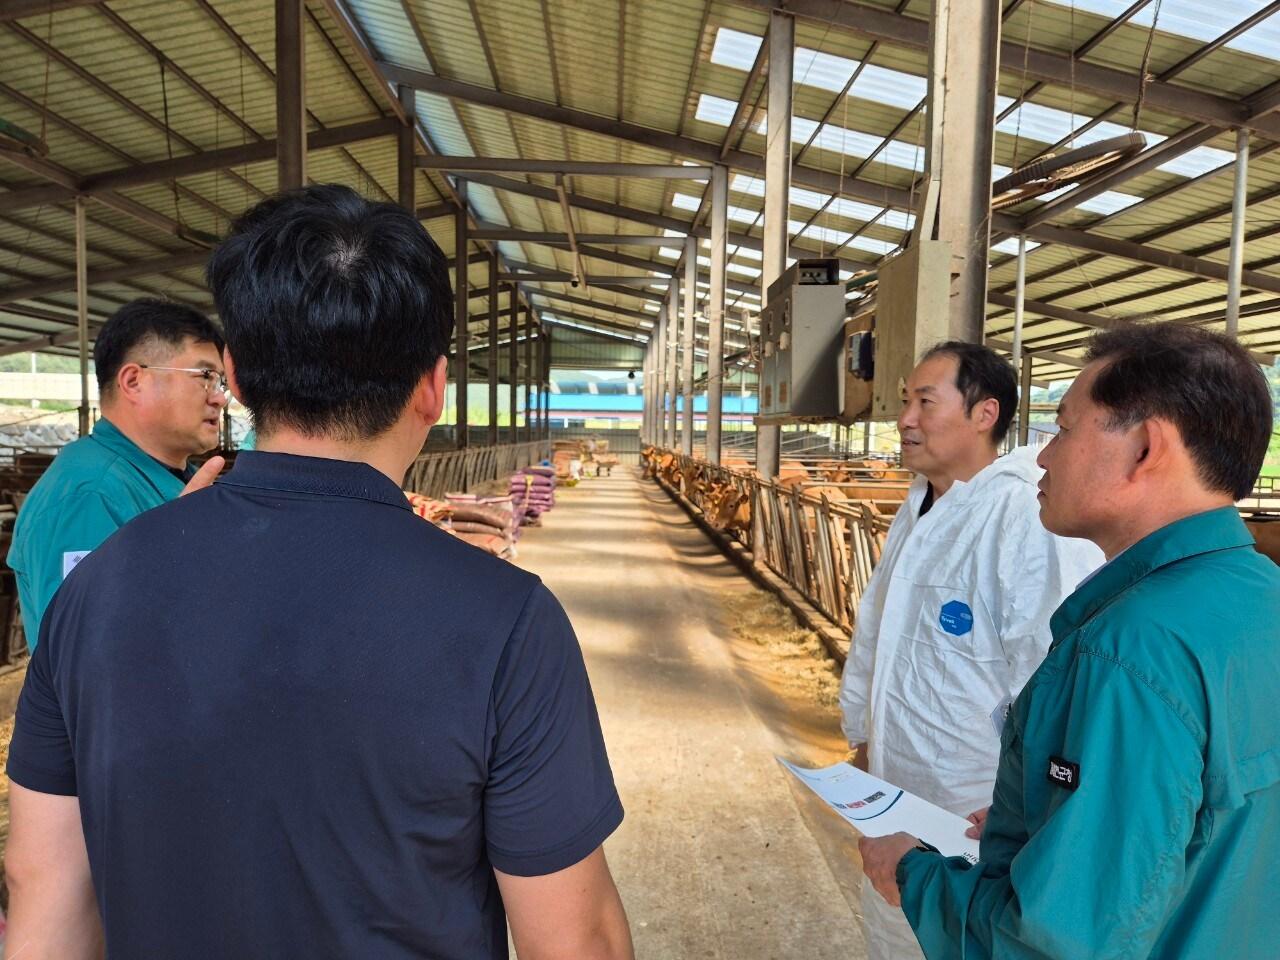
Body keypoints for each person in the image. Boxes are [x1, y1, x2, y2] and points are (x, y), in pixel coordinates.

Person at [4, 185, 633, 960]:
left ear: (233, 375)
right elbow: (575, 942)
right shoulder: (507, 621)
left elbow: (43, 891)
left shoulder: (94, 591)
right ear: (433, 387)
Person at [860, 323, 1279, 959]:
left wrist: (911, 875)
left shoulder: (1128, 651)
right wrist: (1036, 816)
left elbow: (1052, 941)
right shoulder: (1261, 595)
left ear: (1145, 447)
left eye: (1063, 428)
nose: (1046, 456)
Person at [839, 342, 1102, 959]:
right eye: (906, 401)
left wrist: (1021, 809)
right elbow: (879, 636)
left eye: (925, 402)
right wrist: (862, 736)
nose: (905, 418)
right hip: (896, 789)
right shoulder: (922, 505)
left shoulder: (1022, 516)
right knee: (896, 937)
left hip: (975, 810)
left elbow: (1049, 675)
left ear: (985, 414)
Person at [6, 298, 227, 650]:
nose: (220, 398)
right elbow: (87, 651)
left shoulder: (178, 476)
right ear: (133, 381)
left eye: (221, 381)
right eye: (204, 377)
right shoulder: (89, 494)